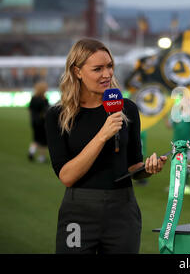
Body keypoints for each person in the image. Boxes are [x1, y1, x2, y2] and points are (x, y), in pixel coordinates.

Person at [45, 38, 167, 254]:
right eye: (97, 69)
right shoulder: (58, 115)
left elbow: (131, 167)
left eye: (110, 66)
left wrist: (146, 169)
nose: (107, 74)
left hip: (123, 210)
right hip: (79, 211)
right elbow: (67, 176)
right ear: (77, 71)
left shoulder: (127, 108)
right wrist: (103, 135)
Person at [28, 81, 49, 163]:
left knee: (36, 138)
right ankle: (42, 157)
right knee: (43, 140)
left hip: (34, 121)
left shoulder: (33, 98)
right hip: (42, 123)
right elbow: (46, 112)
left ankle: (31, 152)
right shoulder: (44, 100)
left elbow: (29, 110)